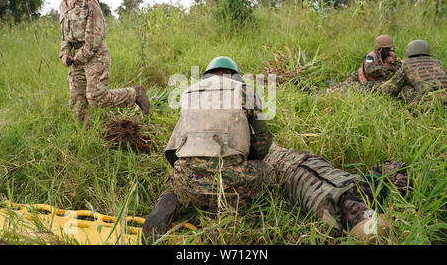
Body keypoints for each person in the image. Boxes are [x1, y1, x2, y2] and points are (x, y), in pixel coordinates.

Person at [141, 56, 273, 243]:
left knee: (173, 182)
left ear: (206, 76)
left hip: (187, 180)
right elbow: (263, 144)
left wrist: (186, 172)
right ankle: (220, 210)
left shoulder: (188, 93)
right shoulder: (245, 91)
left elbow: (172, 150)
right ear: (235, 76)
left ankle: (169, 200)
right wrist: (248, 157)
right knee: (267, 171)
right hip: (228, 179)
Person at [52, 0, 150, 122]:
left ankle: (135, 94)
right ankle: (87, 137)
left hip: (94, 54)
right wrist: (64, 53)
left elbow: (96, 31)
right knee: (76, 102)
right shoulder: (63, 5)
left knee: (96, 99)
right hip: (75, 58)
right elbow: (65, 36)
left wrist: (81, 55)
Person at [264, 143, 409, 238]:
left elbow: (294, 238)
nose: (357, 210)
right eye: (367, 213)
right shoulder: (367, 188)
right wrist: (399, 181)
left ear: (347, 229)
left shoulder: (330, 225)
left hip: (275, 172)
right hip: (301, 156)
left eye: (356, 219)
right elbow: (390, 167)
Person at [378, 40, 446, 104]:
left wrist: (379, 90)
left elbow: (392, 87)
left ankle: (416, 109)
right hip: (445, 96)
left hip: (428, 101)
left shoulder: (406, 64)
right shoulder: (437, 62)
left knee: (405, 88)